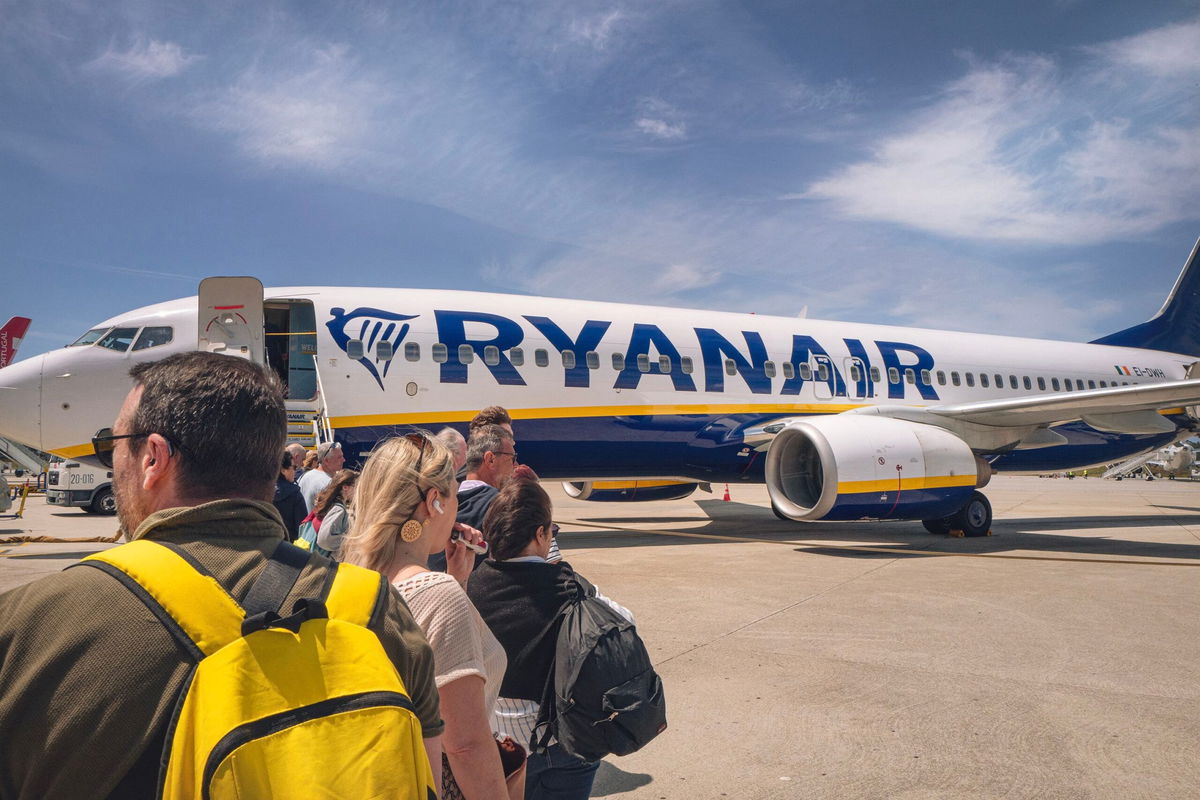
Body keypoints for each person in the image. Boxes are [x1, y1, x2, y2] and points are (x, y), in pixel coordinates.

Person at [0, 352, 443, 799]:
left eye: (112, 446)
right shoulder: (374, 608)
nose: (112, 465)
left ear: (153, 457)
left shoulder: (28, 625)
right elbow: (425, 773)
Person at [343, 433, 522, 799]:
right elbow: (465, 745)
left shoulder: (346, 578)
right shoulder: (438, 596)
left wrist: (457, 578)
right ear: (433, 503)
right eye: (453, 494)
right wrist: (448, 586)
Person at [468, 475, 633, 800]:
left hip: (503, 744)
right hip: (564, 738)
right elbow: (624, 621)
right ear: (541, 534)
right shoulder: (567, 587)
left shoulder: (472, 586)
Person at [310, 468, 359, 560]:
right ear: (345, 487)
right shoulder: (338, 509)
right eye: (356, 486)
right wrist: (350, 540)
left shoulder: (328, 503)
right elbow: (324, 540)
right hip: (328, 562)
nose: (358, 490)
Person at [299, 440, 345, 510]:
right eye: (339, 457)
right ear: (326, 461)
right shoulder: (328, 483)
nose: (343, 460)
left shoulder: (305, 476)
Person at [272, 449, 307, 540]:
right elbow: (302, 526)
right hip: (289, 545)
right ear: (283, 470)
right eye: (294, 467)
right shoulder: (295, 494)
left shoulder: (261, 491)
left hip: (266, 545)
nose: (295, 471)